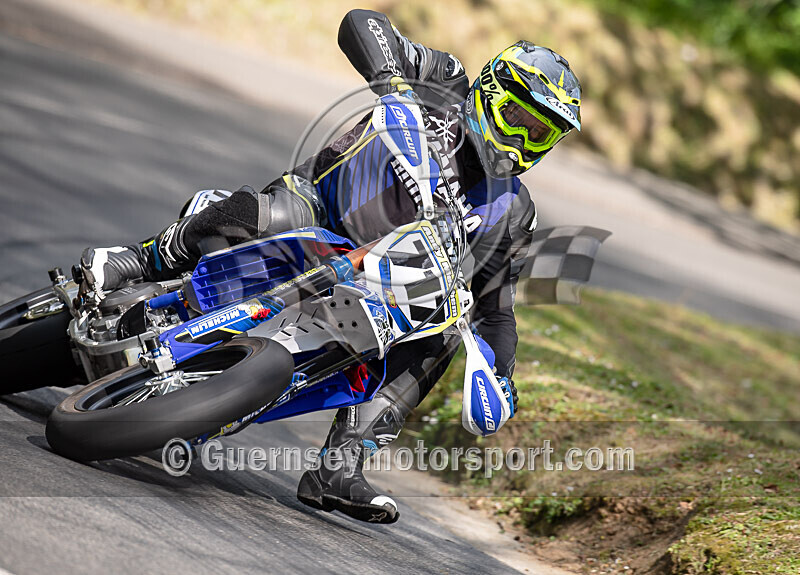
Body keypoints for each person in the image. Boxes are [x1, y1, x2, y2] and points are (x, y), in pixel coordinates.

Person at [79, 9, 582, 524]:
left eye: (540, 135)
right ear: (492, 91)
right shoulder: (447, 81)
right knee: (267, 212)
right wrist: (396, 87)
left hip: (376, 283)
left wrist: (499, 376)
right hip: (317, 206)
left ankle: (340, 466)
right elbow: (364, 24)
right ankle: (137, 262)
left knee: (447, 330)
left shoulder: (513, 210)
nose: (522, 142)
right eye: (518, 119)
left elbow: (495, 309)